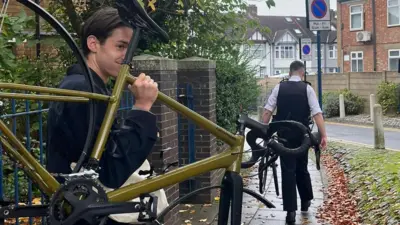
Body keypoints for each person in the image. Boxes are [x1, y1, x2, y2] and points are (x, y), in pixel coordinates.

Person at [45, 7, 160, 224]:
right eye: (120, 46)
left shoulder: (89, 87)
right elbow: (110, 172)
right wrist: (142, 108)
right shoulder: (84, 91)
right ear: (93, 44)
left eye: (130, 48)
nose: (128, 56)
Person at [262, 60, 327, 224]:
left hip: (284, 137)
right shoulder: (307, 88)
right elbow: (317, 114)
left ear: (290, 72)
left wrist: (264, 132)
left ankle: (290, 212)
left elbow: (267, 111)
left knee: (287, 170)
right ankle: (305, 201)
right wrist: (323, 135)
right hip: (302, 137)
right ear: (302, 73)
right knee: (302, 167)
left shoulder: (278, 87)